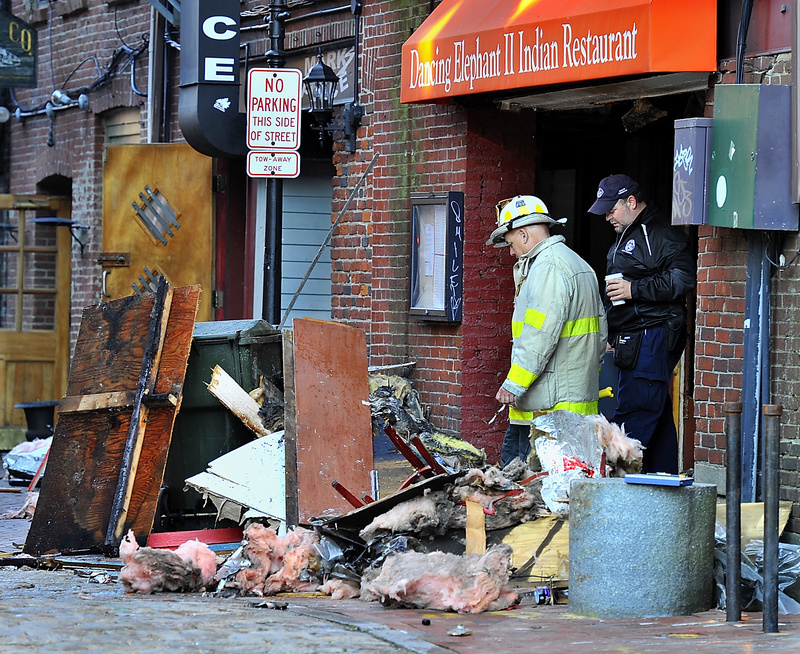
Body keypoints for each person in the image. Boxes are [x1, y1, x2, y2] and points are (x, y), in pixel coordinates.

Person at [487, 195, 607, 468]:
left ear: (523, 234)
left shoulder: (547, 268)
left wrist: (513, 384)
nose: (511, 251)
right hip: (572, 398)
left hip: (548, 406)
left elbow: (538, 335)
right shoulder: (577, 264)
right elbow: (600, 332)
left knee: (521, 479)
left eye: (510, 242)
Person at [588, 174, 696, 474]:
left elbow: (684, 278)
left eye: (612, 209)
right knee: (657, 421)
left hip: (651, 338)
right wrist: (615, 328)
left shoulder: (659, 233)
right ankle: (663, 489)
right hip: (635, 339)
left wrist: (634, 289)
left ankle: (617, 498)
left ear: (631, 202)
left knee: (632, 421)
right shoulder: (629, 231)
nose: (607, 216)